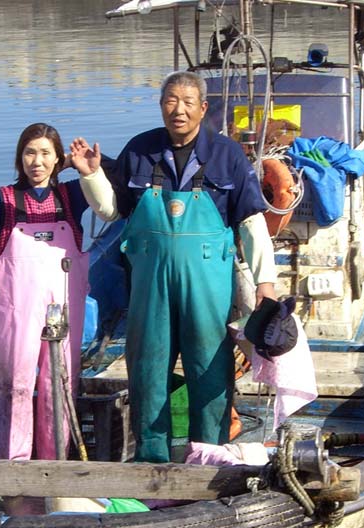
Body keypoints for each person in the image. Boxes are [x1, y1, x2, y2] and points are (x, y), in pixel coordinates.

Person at [70, 71, 277, 463]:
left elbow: (250, 222)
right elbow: (112, 211)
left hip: (208, 287)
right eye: (170, 100)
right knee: (148, 368)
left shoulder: (227, 155)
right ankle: (152, 461)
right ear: (161, 104)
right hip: (150, 286)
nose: (178, 110)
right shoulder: (139, 150)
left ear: (202, 108)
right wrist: (91, 174)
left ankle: (211, 457)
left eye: (186, 102)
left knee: (210, 369)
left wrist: (265, 282)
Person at [0, 122, 113, 461]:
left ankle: (55, 461)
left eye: (45, 154)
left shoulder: (70, 196)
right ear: (19, 158)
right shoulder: (2, 199)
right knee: (16, 384)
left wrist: (80, 165)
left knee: (61, 382)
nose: (36, 162)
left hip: (63, 305)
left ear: (57, 158)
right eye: (29, 153)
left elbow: (111, 193)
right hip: (15, 311)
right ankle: (15, 464)